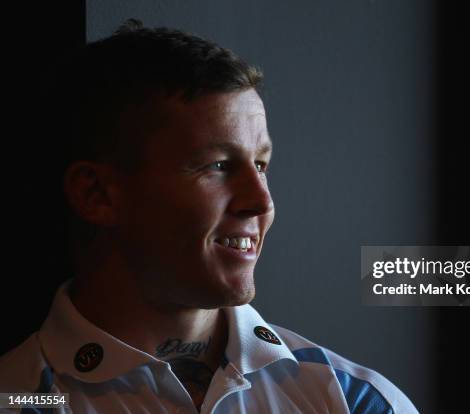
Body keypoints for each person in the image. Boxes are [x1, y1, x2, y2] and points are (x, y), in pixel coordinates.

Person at [0, 20, 418, 414]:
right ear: (96, 194)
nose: (261, 202)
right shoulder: (11, 398)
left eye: (261, 165)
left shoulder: (352, 401)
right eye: (217, 166)